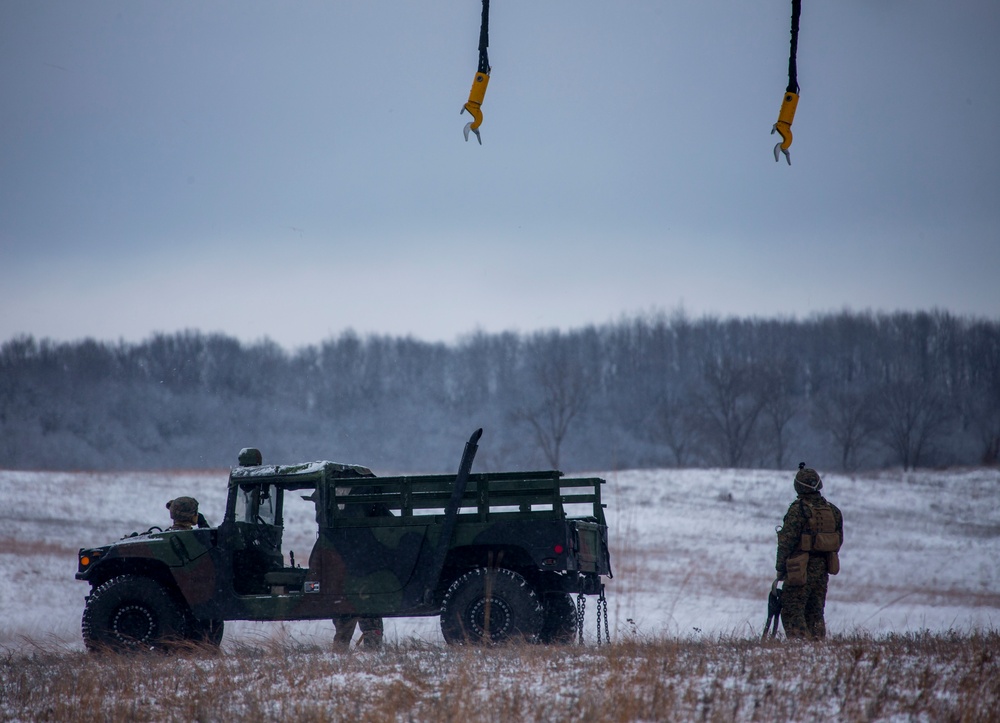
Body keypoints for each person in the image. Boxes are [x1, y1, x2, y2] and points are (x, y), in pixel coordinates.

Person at [775, 463, 843, 639]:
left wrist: (781, 567)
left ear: (798, 486)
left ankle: (800, 650)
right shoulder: (833, 511)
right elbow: (838, 540)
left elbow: (786, 542)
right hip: (823, 568)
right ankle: (817, 648)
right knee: (815, 612)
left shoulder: (798, 510)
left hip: (800, 567)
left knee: (792, 610)